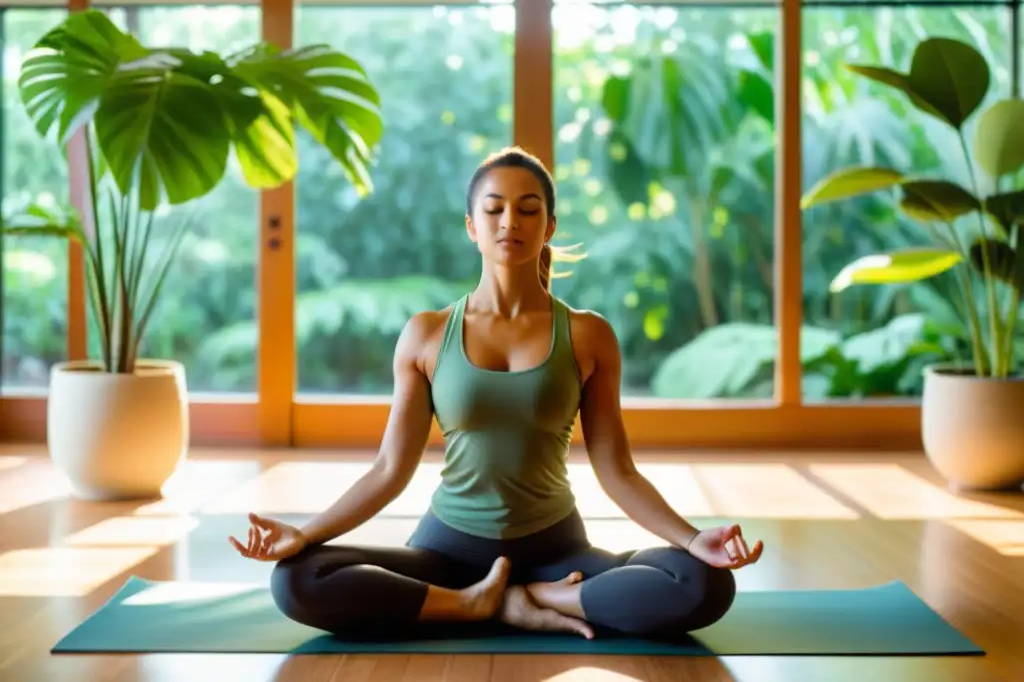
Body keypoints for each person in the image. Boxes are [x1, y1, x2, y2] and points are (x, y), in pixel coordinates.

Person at [229, 146, 764, 641]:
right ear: (472, 227)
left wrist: (694, 540)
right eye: (495, 209)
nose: (511, 221)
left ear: (549, 226)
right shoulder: (427, 334)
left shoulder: (586, 334)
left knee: (704, 582)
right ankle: (470, 604)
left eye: (529, 210)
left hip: (559, 553)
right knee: (298, 578)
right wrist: (304, 535)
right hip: (448, 553)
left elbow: (617, 470)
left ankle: (530, 597)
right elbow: (390, 468)